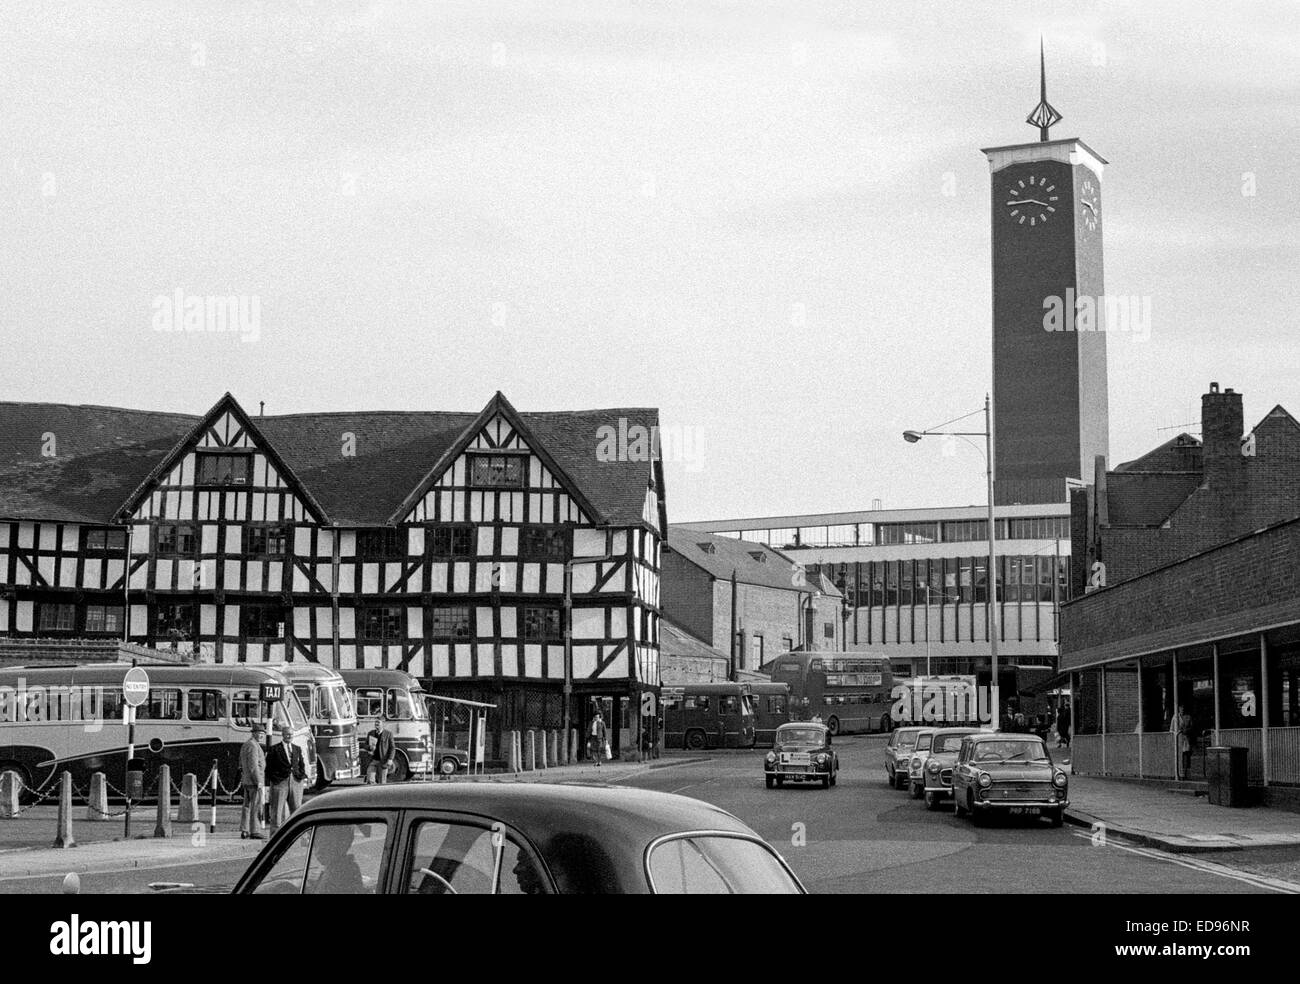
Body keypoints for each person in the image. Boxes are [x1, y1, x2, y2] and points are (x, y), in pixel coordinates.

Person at [266, 725, 307, 835]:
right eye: (287, 734)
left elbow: (301, 764)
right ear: (282, 735)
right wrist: (275, 780)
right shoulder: (274, 749)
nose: (290, 736)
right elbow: (269, 768)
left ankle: (296, 833)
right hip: (280, 783)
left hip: (295, 782)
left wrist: (300, 776)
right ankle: (275, 835)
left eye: (291, 734)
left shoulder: (297, 749)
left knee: (297, 810)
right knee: (277, 811)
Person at [239, 724, 266, 840]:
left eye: (262, 734)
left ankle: (245, 829)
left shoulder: (246, 744)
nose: (261, 736)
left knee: (247, 806)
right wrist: (259, 781)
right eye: (259, 733)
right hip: (254, 781)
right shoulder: (253, 746)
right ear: (253, 733)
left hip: (247, 780)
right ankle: (255, 830)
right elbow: (253, 766)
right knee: (256, 806)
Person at [369, 717, 395, 784]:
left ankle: (379, 793)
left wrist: (390, 759)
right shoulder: (371, 733)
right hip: (373, 761)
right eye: (376, 722)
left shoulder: (388, 734)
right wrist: (369, 747)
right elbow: (365, 745)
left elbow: (392, 748)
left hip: (383, 761)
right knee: (370, 779)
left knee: (382, 782)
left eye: (378, 722)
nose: (376, 724)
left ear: (383, 724)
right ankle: (372, 793)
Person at [1173, 706, 1192, 779]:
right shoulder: (1175, 717)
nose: (1182, 709)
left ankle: (1185, 773)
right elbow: (1172, 728)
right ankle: (1179, 773)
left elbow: (1191, 727)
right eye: (1181, 708)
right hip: (1179, 739)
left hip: (1185, 739)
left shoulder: (1188, 717)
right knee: (1179, 756)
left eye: (1183, 708)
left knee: (1186, 755)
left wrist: (1186, 731)